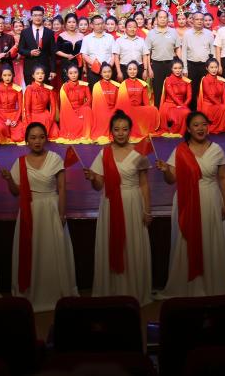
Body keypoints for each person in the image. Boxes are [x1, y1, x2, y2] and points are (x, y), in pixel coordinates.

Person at [0, 122, 78, 311]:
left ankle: (54, 291)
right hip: (30, 211)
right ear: (27, 140)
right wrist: (9, 180)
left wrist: (62, 213)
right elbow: (16, 192)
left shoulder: (55, 159)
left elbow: (61, 188)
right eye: (33, 137)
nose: (37, 141)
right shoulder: (20, 162)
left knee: (52, 251)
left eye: (41, 137)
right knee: (33, 250)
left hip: (51, 209)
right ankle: (33, 291)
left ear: (46, 139)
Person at [155, 112, 225, 297]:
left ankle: (212, 283)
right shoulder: (181, 150)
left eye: (204, 124)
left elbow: (223, 178)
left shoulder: (217, 150)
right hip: (187, 201)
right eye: (196, 125)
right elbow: (171, 180)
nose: (201, 128)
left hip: (211, 199)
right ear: (189, 129)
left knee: (210, 239)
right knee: (187, 240)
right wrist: (166, 170)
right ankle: (189, 285)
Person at [83, 111, 153, 305]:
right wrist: (93, 178)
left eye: (124, 129)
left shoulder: (139, 153)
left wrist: (147, 210)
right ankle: (113, 290)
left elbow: (144, 185)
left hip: (133, 204)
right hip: (110, 204)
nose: (121, 133)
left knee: (132, 245)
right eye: (116, 129)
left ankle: (133, 290)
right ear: (111, 131)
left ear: (130, 131)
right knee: (113, 243)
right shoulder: (104, 153)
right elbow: (98, 186)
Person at [145, 10, 182, 108]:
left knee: (172, 91)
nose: (162, 19)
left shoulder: (173, 32)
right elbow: (147, 52)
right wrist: (149, 68)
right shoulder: (151, 33)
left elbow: (178, 48)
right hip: (156, 66)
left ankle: (171, 112)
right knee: (158, 91)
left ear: (167, 19)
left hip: (171, 65)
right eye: (160, 17)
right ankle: (158, 113)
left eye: (165, 17)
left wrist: (180, 65)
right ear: (156, 19)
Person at [115, 61, 160, 139]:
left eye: (134, 69)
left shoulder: (143, 84)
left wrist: (148, 111)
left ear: (137, 70)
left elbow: (146, 103)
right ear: (127, 71)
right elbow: (120, 103)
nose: (132, 71)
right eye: (130, 69)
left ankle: (146, 129)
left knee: (153, 109)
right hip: (127, 110)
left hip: (139, 109)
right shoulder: (123, 84)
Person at [182, 12, 216, 109]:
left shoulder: (209, 34)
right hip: (191, 66)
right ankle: (193, 112)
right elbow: (184, 52)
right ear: (192, 20)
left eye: (201, 19)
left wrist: (213, 67)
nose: (199, 21)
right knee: (192, 91)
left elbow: (213, 51)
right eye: (197, 19)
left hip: (205, 67)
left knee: (207, 90)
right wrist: (185, 68)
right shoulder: (187, 34)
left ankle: (205, 111)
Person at [18, 6, 57, 82]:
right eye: (35, 15)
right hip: (29, 68)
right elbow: (20, 49)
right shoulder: (25, 32)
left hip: (45, 69)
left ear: (43, 16)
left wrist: (53, 70)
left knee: (45, 89)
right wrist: (30, 52)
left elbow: (52, 53)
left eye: (40, 15)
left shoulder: (49, 33)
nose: (37, 17)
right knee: (30, 89)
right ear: (31, 17)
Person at [57, 65, 93, 143]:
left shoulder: (84, 85)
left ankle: (86, 135)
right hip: (70, 111)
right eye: (71, 73)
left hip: (81, 109)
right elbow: (64, 105)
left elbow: (89, 99)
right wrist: (73, 112)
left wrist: (81, 108)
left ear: (78, 73)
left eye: (75, 72)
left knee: (87, 109)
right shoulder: (65, 87)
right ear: (67, 74)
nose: (73, 75)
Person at [0, 67, 26, 144]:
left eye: (9, 75)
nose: (7, 77)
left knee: (19, 137)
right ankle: (6, 133)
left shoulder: (18, 89)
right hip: (1, 115)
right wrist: (5, 120)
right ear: (1, 76)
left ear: (13, 75)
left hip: (14, 115)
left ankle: (12, 132)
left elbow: (20, 107)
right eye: (5, 75)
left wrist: (15, 120)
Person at [23, 66, 59, 139]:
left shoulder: (49, 89)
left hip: (45, 116)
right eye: (37, 73)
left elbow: (53, 107)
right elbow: (27, 108)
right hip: (32, 116)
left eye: (42, 73)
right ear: (33, 76)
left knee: (55, 134)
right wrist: (30, 124)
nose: (40, 75)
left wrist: (51, 121)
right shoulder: (29, 88)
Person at [80, 15, 116, 88]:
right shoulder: (87, 38)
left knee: (109, 91)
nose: (100, 26)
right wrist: (97, 66)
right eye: (97, 24)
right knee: (95, 91)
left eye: (102, 23)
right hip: (93, 71)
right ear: (92, 25)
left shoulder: (110, 37)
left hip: (109, 71)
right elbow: (84, 55)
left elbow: (114, 53)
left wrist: (109, 67)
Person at [159, 60, 192, 137]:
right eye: (175, 68)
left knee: (186, 112)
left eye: (180, 68)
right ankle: (174, 130)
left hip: (182, 105)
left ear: (182, 68)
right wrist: (183, 106)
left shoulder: (186, 81)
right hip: (169, 105)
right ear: (171, 69)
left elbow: (189, 97)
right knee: (185, 112)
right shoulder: (168, 80)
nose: (178, 70)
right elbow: (173, 96)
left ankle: (181, 131)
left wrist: (183, 106)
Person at [196, 59, 225, 134]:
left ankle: (219, 127)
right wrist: (221, 106)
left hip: (217, 105)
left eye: (216, 67)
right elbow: (210, 96)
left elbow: (224, 96)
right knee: (222, 108)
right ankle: (213, 128)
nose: (214, 70)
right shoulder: (205, 80)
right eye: (211, 67)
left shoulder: (221, 80)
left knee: (224, 107)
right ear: (207, 68)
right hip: (208, 106)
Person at [90, 64, 121, 144]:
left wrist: (115, 110)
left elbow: (119, 102)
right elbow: (96, 105)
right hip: (101, 112)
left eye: (109, 71)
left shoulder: (117, 85)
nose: (107, 74)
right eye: (104, 72)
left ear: (112, 72)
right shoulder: (97, 86)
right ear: (101, 73)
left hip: (114, 111)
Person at [53, 14, 83, 82]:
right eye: (69, 22)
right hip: (66, 63)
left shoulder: (81, 36)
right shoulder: (61, 36)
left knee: (78, 84)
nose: (71, 24)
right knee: (67, 84)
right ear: (66, 24)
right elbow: (56, 50)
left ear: (77, 23)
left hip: (78, 64)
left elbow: (84, 51)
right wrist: (67, 55)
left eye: (73, 22)